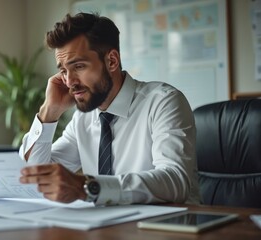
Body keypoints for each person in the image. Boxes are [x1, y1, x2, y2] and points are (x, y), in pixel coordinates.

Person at [19, 12, 200, 206]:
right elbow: (36, 176)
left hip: (167, 228)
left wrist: (87, 187)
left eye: (78, 66)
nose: (69, 81)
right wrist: (49, 112)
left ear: (112, 61)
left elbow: (175, 181)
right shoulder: (83, 119)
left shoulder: (163, 102)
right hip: (104, 228)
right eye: (63, 71)